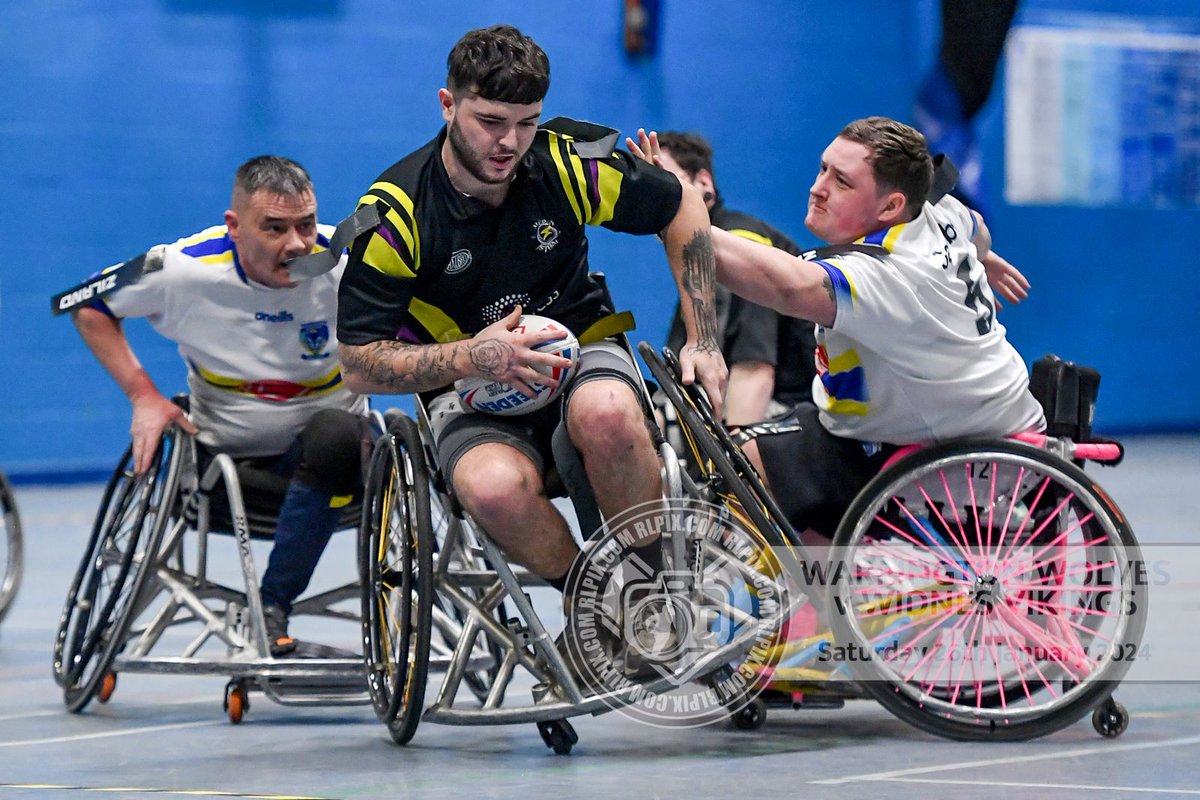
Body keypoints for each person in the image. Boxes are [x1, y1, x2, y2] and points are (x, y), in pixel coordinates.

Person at [335, 25, 726, 590]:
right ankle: (591, 599)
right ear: (448, 106)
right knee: (493, 487)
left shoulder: (565, 166)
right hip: (465, 386)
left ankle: (649, 591)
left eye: (526, 122)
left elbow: (680, 204)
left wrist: (704, 338)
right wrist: (472, 356)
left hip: (581, 346)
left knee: (609, 413)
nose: (509, 143)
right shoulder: (396, 218)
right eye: (490, 121)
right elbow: (357, 362)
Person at [629, 117, 1043, 539]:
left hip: (948, 450)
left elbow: (784, 285)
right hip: (972, 418)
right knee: (766, 454)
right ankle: (820, 594)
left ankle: (809, 590)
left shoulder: (885, 277)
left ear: (890, 206)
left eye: (842, 182)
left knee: (745, 470)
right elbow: (978, 229)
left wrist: (669, 210)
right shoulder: (939, 212)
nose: (818, 187)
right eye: (823, 168)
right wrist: (982, 259)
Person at [71, 156, 369, 655]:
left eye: (306, 225)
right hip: (225, 469)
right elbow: (87, 303)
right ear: (234, 227)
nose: (297, 244)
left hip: (341, 466)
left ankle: (272, 604)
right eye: (274, 228)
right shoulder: (183, 268)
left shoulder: (347, 262)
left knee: (338, 431)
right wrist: (143, 395)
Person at [656, 131, 817, 425]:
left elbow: (754, 371)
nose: (651, 192)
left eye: (662, 178)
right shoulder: (693, 263)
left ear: (703, 183)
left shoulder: (741, 243)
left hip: (786, 415)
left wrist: (735, 464)